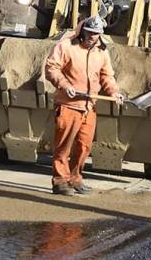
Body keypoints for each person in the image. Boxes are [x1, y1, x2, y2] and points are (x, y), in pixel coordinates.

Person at [44, 17, 124, 195]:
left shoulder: (101, 52)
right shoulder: (66, 46)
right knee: (63, 146)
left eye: (97, 34)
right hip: (68, 105)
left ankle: (75, 179)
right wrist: (65, 85)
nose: (93, 37)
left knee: (84, 147)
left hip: (89, 106)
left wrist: (114, 92)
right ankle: (60, 182)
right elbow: (52, 68)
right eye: (90, 33)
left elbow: (107, 76)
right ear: (82, 31)